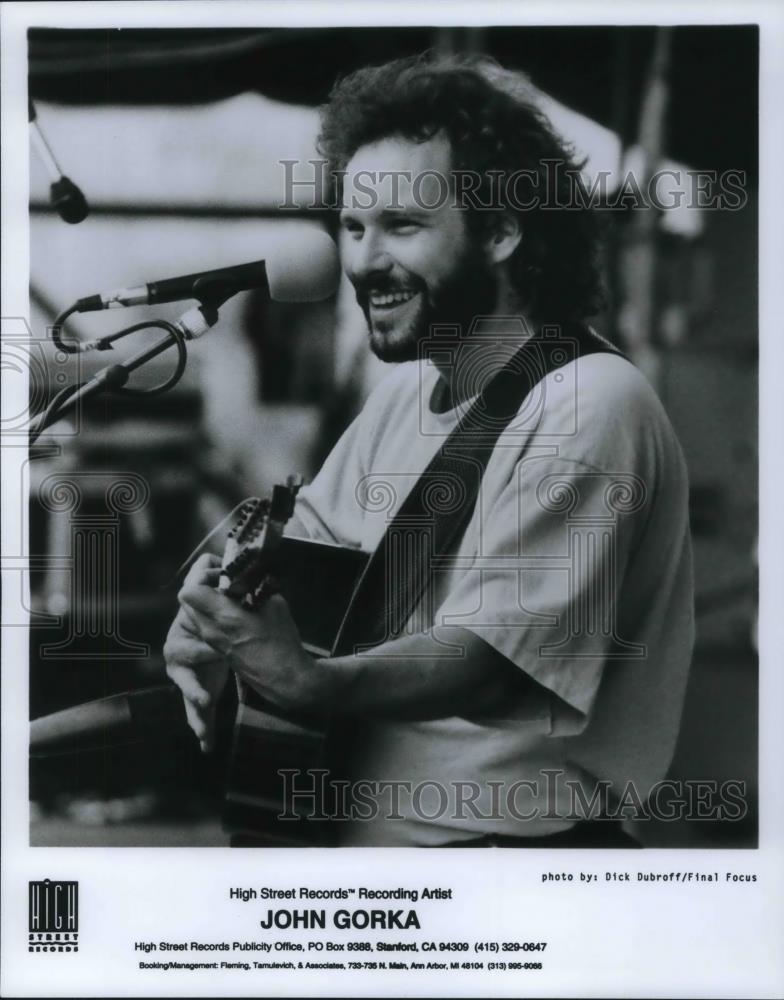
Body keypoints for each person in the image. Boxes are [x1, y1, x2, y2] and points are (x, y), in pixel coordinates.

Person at [164, 54, 694, 847]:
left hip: (509, 873)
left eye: (402, 226)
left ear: (504, 229)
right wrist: (213, 608)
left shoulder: (588, 403)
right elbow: (303, 557)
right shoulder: (406, 394)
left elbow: (491, 656)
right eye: (350, 226)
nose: (362, 262)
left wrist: (310, 682)